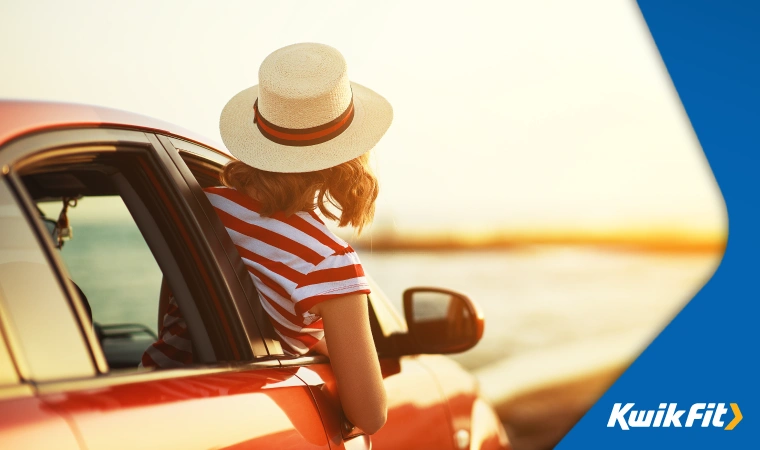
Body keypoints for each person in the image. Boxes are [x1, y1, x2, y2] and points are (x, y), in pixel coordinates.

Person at [141, 42, 392, 434]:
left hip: (153, 404)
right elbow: (369, 415)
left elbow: (177, 312)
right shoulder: (327, 260)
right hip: (232, 426)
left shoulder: (198, 207)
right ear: (349, 154)